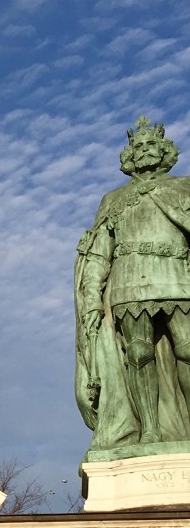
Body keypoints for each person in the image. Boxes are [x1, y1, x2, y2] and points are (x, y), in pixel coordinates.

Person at [75, 118, 190, 448]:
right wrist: (92, 298)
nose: (144, 151)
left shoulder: (184, 187)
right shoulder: (113, 199)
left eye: (151, 144)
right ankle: (150, 430)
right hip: (129, 283)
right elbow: (98, 253)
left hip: (177, 278)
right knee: (138, 354)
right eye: (138, 146)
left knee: (187, 350)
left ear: (164, 150)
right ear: (129, 155)